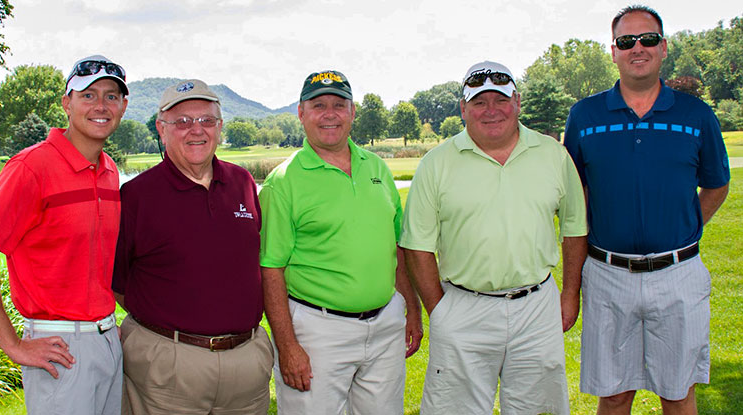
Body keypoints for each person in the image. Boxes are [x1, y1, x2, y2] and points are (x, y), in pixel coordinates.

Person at [563, 5, 730, 415]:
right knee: (615, 395)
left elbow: (716, 184)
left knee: (678, 393)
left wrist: (685, 225)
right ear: (614, 51)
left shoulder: (696, 114)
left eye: (648, 39)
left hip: (679, 274)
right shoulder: (585, 116)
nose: (637, 47)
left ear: (664, 47)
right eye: (626, 41)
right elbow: (574, 192)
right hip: (606, 275)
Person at [400, 60, 587, 414]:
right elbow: (417, 246)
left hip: (536, 305)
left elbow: (575, 228)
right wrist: (439, 310)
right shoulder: (437, 163)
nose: (491, 111)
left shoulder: (552, 155)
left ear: (517, 101)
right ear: (463, 109)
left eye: (500, 100)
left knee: (537, 408)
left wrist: (570, 293)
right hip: (462, 305)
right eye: (479, 102)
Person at [0, 55, 128, 415]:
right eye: (88, 95)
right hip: (59, 345)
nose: (101, 106)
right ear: (67, 103)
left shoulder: (109, 171)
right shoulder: (31, 167)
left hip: (108, 337)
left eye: (111, 96)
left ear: (124, 106)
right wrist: (14, 346)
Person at [259, 70, 422, 414]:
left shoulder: (376, 167)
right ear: (301, 113)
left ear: (352, 112)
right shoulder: (284, 182)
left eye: (339, 104)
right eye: (318, 105)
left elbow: (394, 249)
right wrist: (287, 346)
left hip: (384, 324)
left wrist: (410, 309)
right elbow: (271, 268)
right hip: (318, 330)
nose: (330, 113)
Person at [112, 79, 272, 415]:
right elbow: (118, 284)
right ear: (161, 129)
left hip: (245, 364)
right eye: (182, 121)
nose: (195, 130)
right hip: (169, 367)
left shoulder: (242, 182)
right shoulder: (137, 196)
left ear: (220, 127)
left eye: (206, 120)